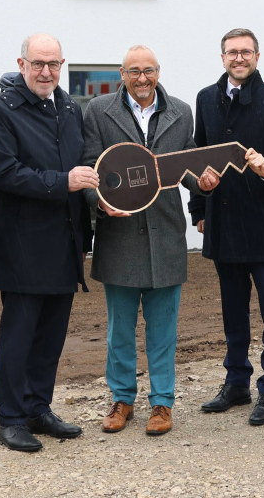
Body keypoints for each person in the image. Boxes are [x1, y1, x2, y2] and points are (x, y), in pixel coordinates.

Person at [81, 45, 220, 437]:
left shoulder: (179, 111)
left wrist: (203, 183)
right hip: (119, 236)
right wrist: (100, 203)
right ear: (121, 73)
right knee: (119, 331)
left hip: (165, 235)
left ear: (158, 72)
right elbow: (91, 166)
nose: (143, 79)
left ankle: (162, 403)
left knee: (164, 330)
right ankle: (122, 399)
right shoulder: (98, 111)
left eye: (150, 71)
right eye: (134, 71)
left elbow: (189, 164)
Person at [190, 28, 264, 426]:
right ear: (222, 57)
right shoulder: (206, 98)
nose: (238, 58)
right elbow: (197, 155)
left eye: (245, 52)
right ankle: (237, 382)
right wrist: (198, 208)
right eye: (231, 52)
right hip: (222, 222)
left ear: (257, 56)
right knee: (232, 313)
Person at [0, 33, 94, 452]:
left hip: (64, 243)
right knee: (18, 340)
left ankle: (37, 408)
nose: (46, 72)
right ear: (22, 63)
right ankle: (10, 419)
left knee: (50, 337)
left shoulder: (69, 108)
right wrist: (62, 182)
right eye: (38, 64)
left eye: (54, 64)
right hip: (23, 246)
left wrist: (85, 234)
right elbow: (7, 173)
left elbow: (80, 169)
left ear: (62, 64)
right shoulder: (1, 111)